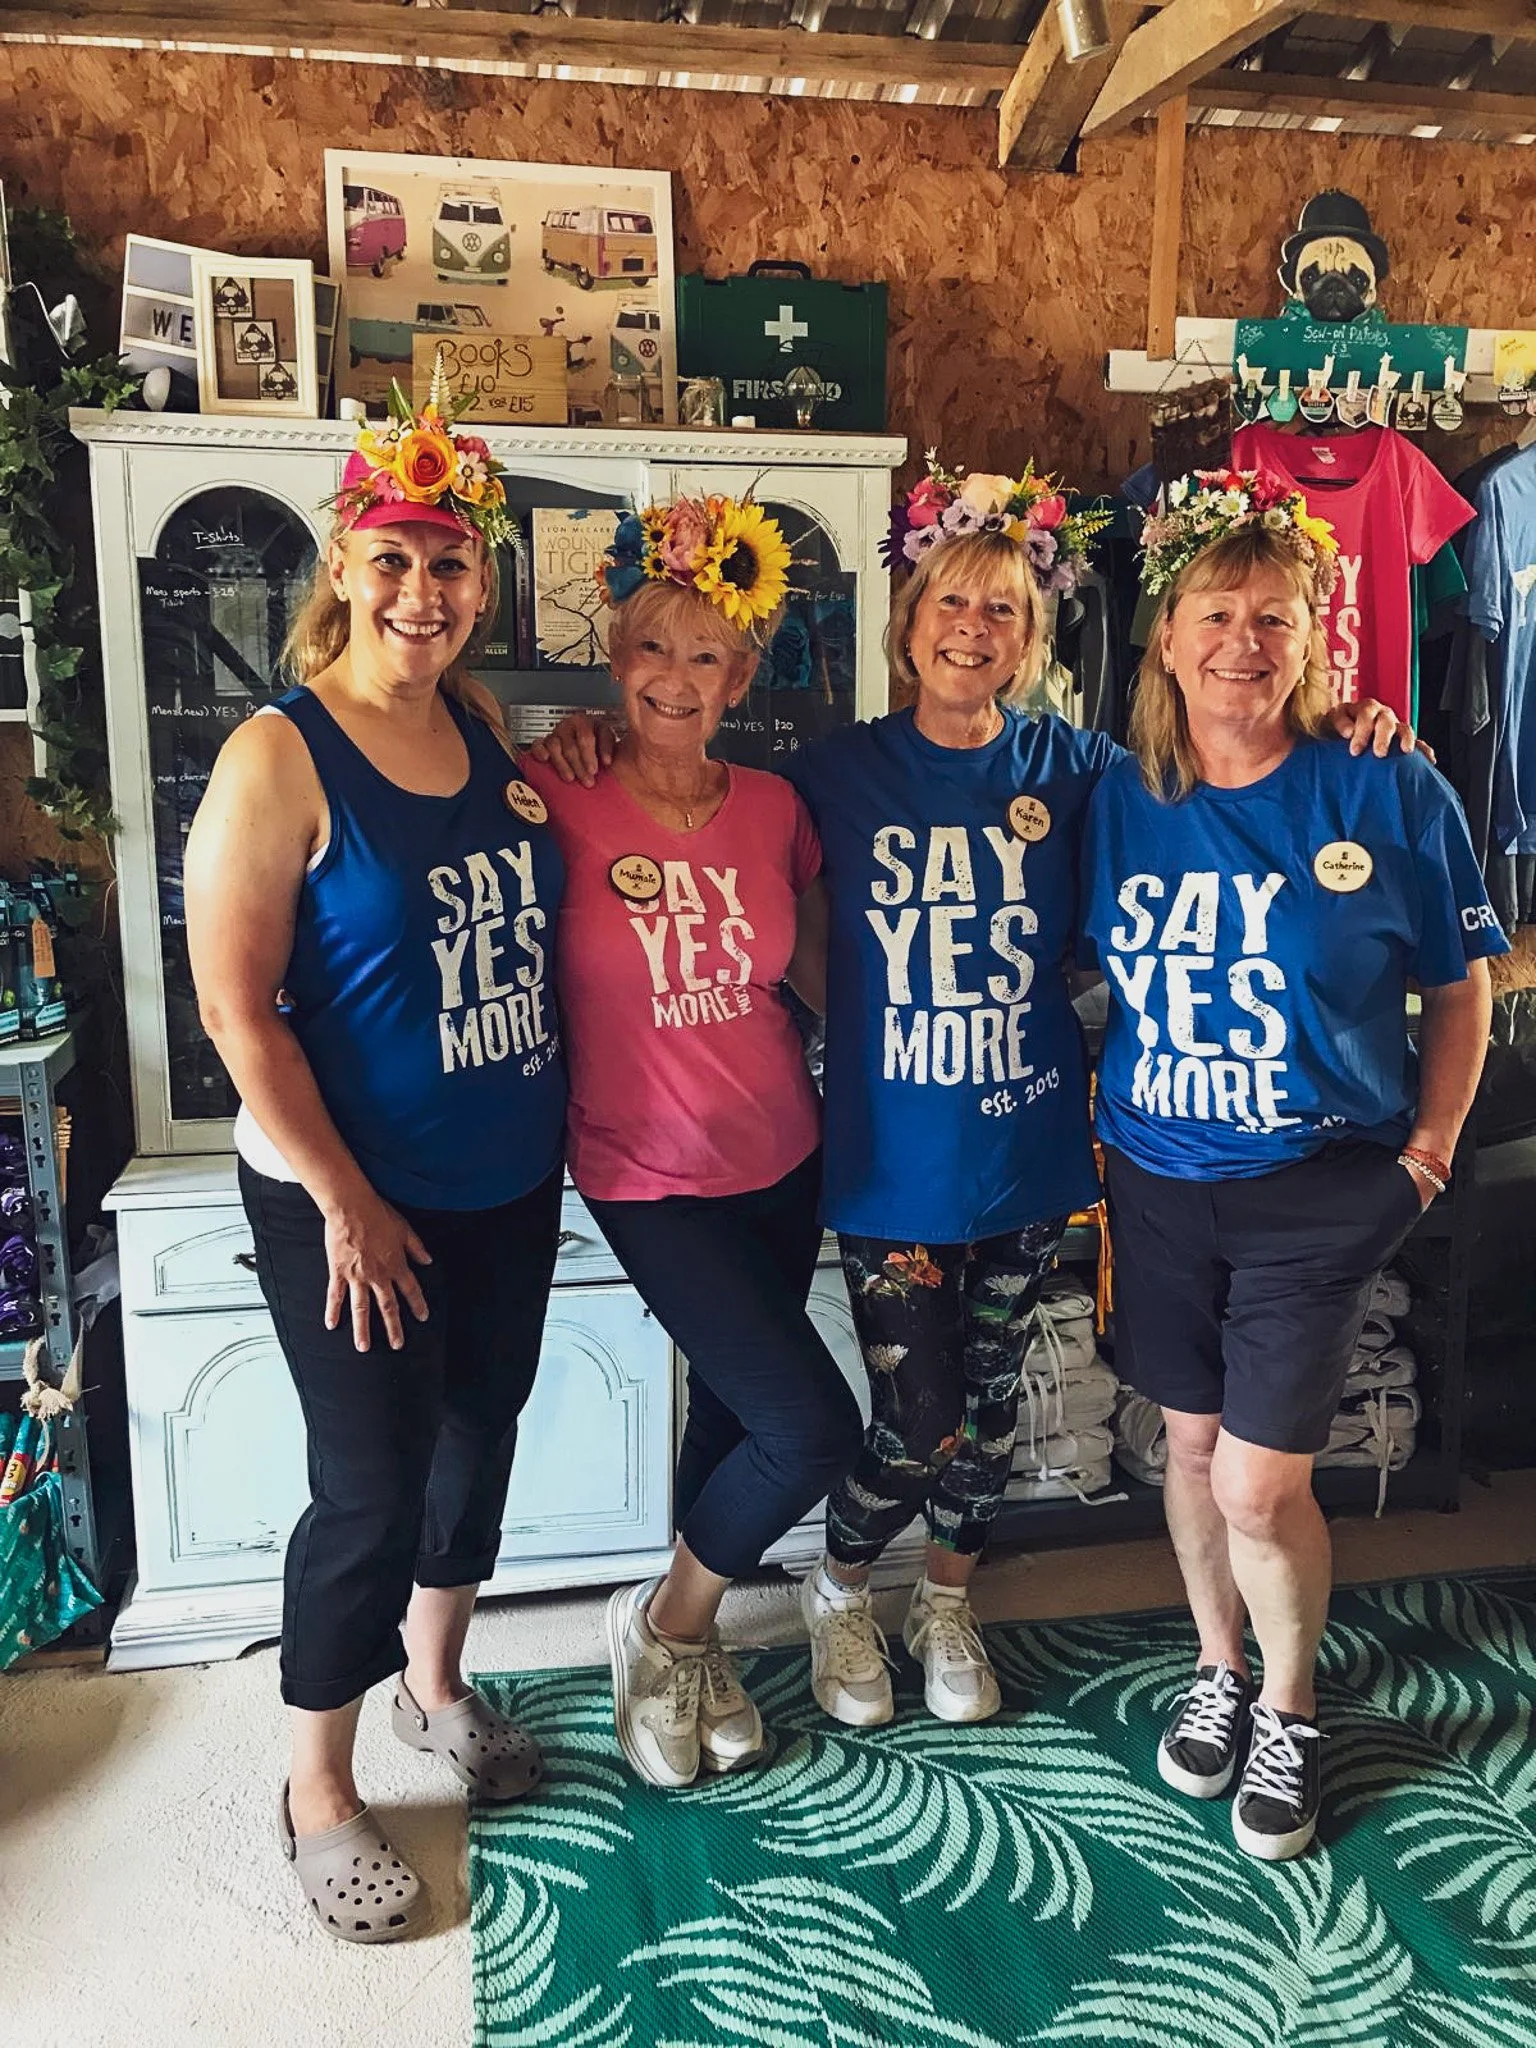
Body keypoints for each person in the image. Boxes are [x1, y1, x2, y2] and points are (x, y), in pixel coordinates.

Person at [537, 458, 1409, 1735]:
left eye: (1002, 606)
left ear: (1032, 634)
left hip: (1030, 1146)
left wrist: (1349, 724)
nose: (972, 626)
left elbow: (1225, 769)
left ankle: (946, 1600)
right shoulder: (829, 774)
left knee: (995, 1406)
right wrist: (591, 737)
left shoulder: (1085, 765)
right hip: (888, 1154)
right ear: (909, 622)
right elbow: (736, 849)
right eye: (950, 599)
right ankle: (842, 1588)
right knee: (917, 1412)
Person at [1080, 469, 1505, 1861]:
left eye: (1273, 616)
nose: (1242, 643)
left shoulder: (1388, 783)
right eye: (1215, 613)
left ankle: (1291, 1703)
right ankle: (1218, 1665)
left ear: (1314, 634)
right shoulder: (1114, 792)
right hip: (1157, 1179)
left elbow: (1461, 985)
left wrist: (1429, 1150)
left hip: (1321, 1187)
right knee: (1192, 1446)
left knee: (1262, 1484)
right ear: (1165, 635)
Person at [185, 393, 565, 1941]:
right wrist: (344, 1199)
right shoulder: (278, 756)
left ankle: (435, 1685)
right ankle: (317, 1786)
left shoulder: (479, 727)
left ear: (482, 582)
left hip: (504, 1178)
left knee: (478, 1434)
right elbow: (235, 1009)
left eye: (450, 562)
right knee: (367, 1489)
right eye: (394, 558)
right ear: (342, 566)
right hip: (350, 1196)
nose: (423, 590)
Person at [518, 494, 863, 1791]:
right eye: (653, 647)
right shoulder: (555, 789)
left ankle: (697, 1642)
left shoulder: (775, 808)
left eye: (706, 653)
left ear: (741, 677)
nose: (676, 675)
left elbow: (817, 975)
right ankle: (660, 1628)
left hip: (782, 1150)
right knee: (810, 1426)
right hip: (645, 1172)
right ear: (616, 661)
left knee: (732, 1408)